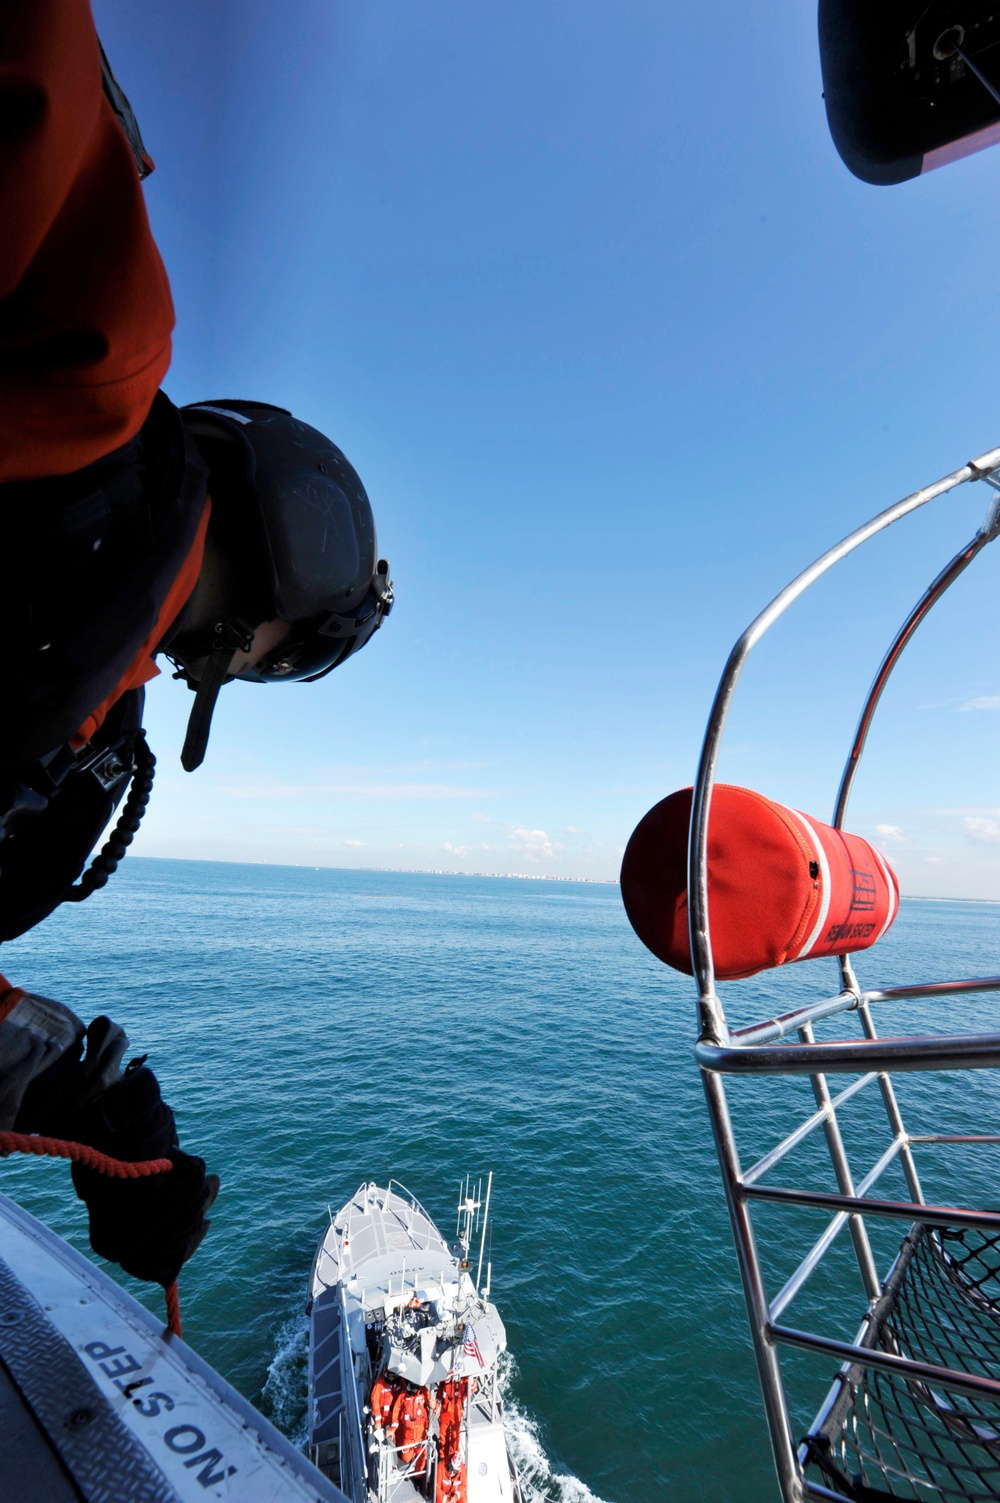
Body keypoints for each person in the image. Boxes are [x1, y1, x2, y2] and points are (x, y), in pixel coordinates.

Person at [0, 2, 392, 1294]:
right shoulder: (97, 373)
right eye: (285, 657)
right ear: (282, 583)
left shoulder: (88, 654)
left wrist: (68, 1088)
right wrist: (66, 1082)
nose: (236, 675)